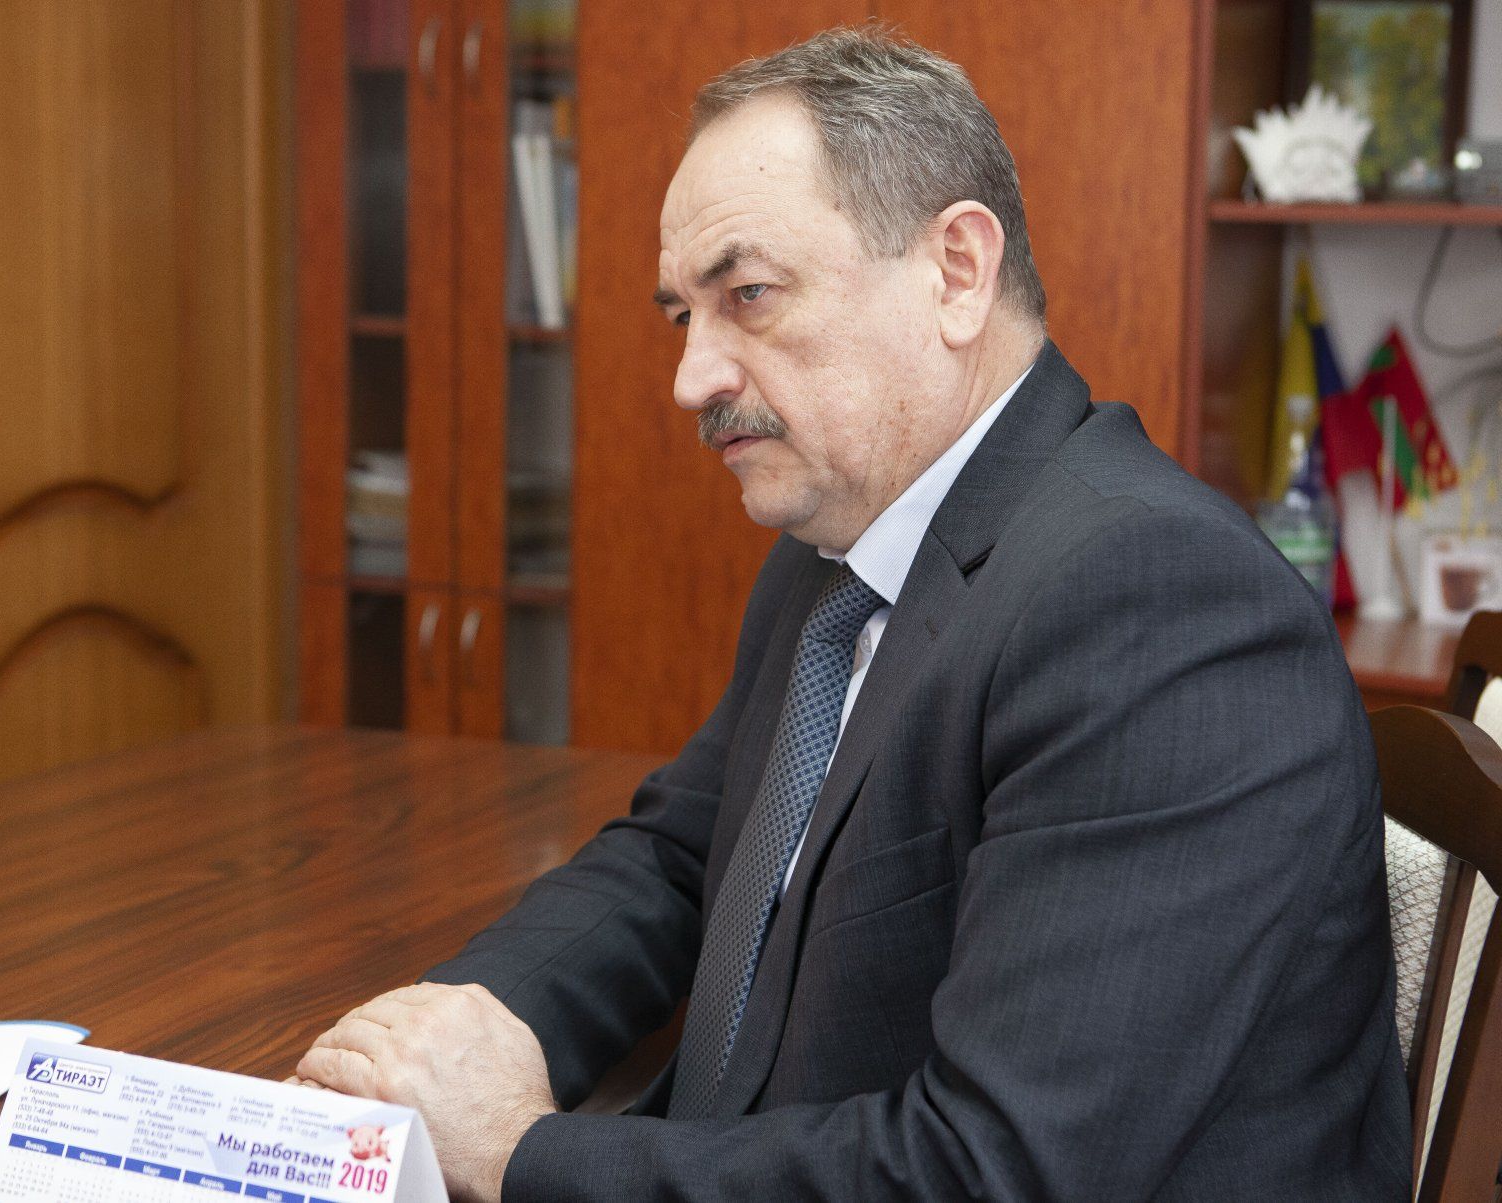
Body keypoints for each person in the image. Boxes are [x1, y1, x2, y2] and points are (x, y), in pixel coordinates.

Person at [294, 27, 1411, 1200]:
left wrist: (519, 1150)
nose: (691, 377)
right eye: (683, 315)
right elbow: (681, 862)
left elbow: (995, 1171)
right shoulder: (844, 546)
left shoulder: (1159, 604)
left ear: (956, 272)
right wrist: (427, 1051)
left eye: (749, 296)